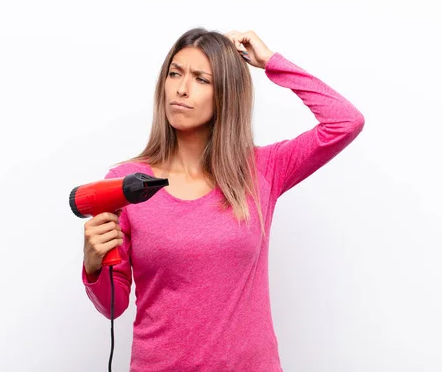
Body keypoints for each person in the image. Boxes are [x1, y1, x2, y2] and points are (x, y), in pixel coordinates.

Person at [81, 27, 365, 371]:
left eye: (202, 79)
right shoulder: (127, 185)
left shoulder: (262, 170)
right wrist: (94, 264)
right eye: (175, 73)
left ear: (225, 95)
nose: (181, 89)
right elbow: (113, 307)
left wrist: (272, 62)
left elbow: (345, 122)